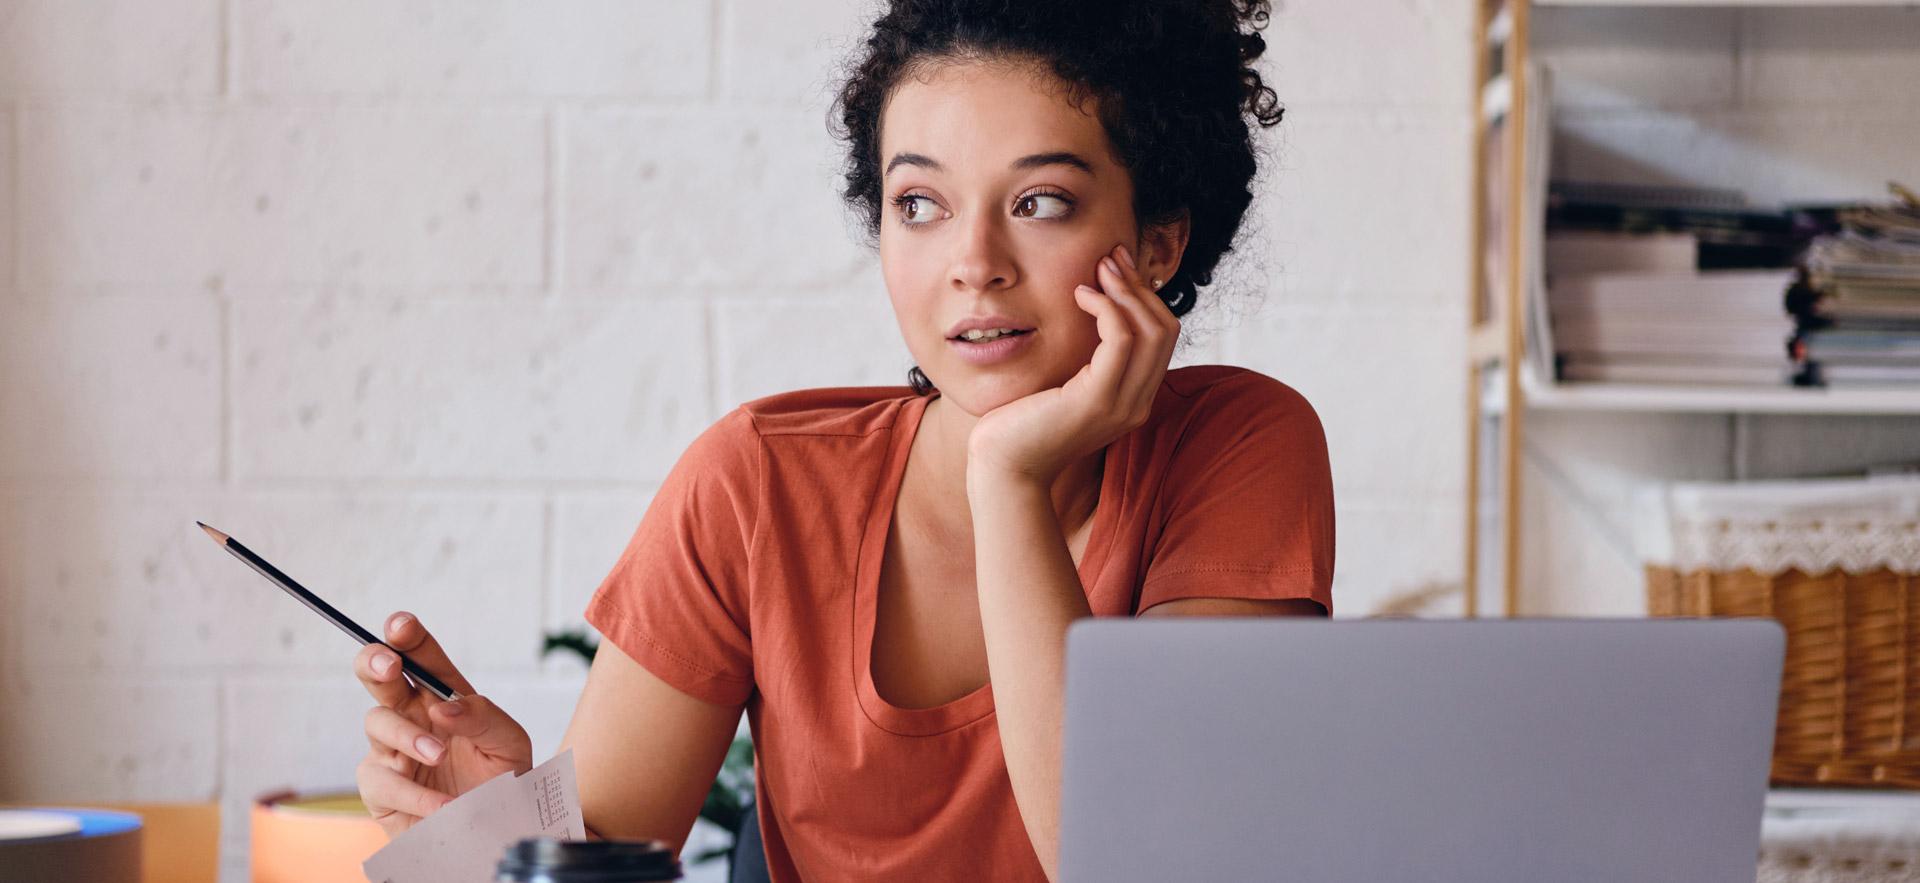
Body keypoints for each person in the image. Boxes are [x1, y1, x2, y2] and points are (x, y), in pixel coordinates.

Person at [350, 0, 1333, 879]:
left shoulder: (1239, 447)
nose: (973, 264)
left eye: (1040, 202)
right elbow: (601, 857)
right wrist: (500, 836)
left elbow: (1142, 859)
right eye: (921, 205)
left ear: (1158, 242)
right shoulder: (757, 482)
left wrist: (1006, 479)